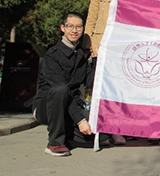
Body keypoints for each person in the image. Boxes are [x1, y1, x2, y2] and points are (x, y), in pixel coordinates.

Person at [33, 12, 110, 156]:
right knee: (61, 89)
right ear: (63, 28)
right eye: (70, 26)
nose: (74, 30)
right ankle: (54, 143)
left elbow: (90, 82)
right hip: (48, 107)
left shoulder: (81, 55)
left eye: (79, 27)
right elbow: (60, 90)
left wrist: (97, 60)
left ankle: (67, 135)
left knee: (103, 136)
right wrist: (80, 120)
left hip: (70, 106)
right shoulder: (52, 55)